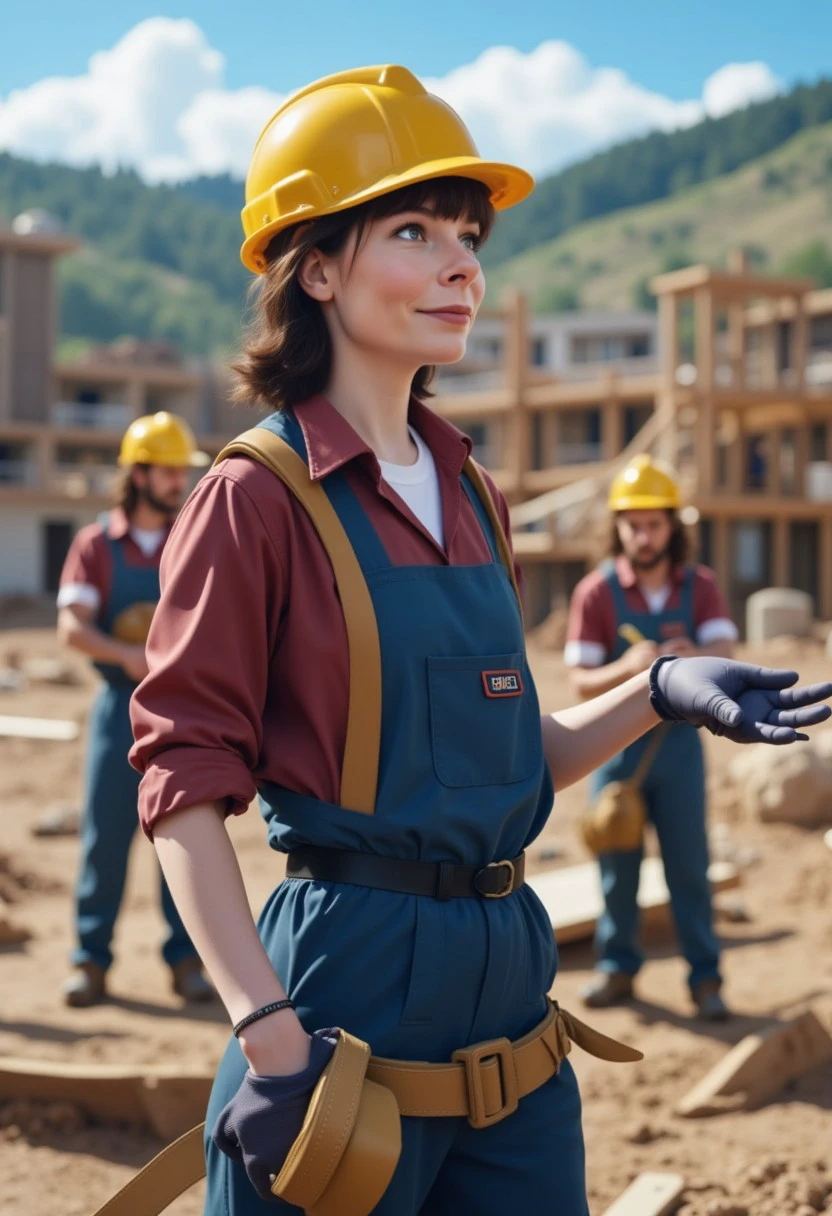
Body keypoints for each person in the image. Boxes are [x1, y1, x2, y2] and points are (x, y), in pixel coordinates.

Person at [128, 66, 830, 1216]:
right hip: (344, 993)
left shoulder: (473, 492)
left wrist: (653, 687)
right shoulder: (255, 497)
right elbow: (181, 781)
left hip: (513, 1000)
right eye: (413, 230)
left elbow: (507, 755)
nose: (463, 263)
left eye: (467, 233)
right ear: (314, 266)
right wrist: (267, 1034)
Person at [565, 455, 739, 1019]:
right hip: (614, 751)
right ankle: (617, 970)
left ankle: (706, 980)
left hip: (681, 749)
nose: (643, 535)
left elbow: (729, 657)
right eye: (632, 524)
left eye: (654, 524)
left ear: (673, 526)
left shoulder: (702, 586)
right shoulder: (595, 592)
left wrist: (694, 662)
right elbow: (578, 681)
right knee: (617, 866)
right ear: (618, 527)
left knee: (689, 866)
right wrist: (631, 668)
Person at [57, 412, 215, 1008]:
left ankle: (186, 963)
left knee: (187, 837)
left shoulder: (189, 541)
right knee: (104, 838)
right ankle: (90, 961)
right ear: (139, 473)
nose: (179, 482)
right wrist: (127, 654)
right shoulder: (95, 545)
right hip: (116, 710)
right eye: (170, 471)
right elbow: (71, 628)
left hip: (182, 714)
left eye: (182, 471)